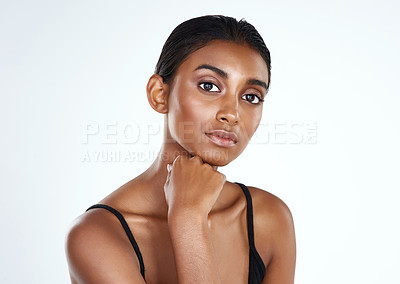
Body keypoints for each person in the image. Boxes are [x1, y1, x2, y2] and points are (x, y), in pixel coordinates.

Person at [66, 15, 296, 284]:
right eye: (209, 86)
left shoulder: (268, 218)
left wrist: (189, 215)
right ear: (159, 94)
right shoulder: (97, 236)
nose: (232, 114)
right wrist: (188, 218)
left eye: (251, 97)